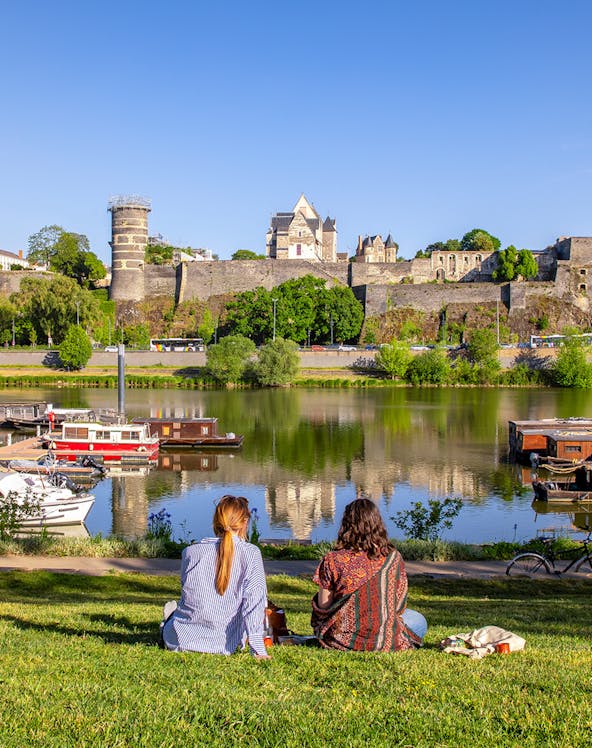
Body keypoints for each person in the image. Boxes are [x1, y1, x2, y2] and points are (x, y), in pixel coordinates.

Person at [161, 495, 270, 659]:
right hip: (225, 644)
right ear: (244, 523)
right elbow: (253, 602)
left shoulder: (190, 552)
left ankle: (170, 619)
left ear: (215, 522)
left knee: (174, 614)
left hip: (180, 640)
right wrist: (258, 650)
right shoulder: (251, 554)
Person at [311, 498, 427, 652]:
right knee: (418, 620)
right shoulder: (393, 558)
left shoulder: (333, 559)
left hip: (340, 639)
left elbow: (323, 607)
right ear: (378, 524)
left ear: (345, 525)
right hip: (383, 639)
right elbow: (399, 605)